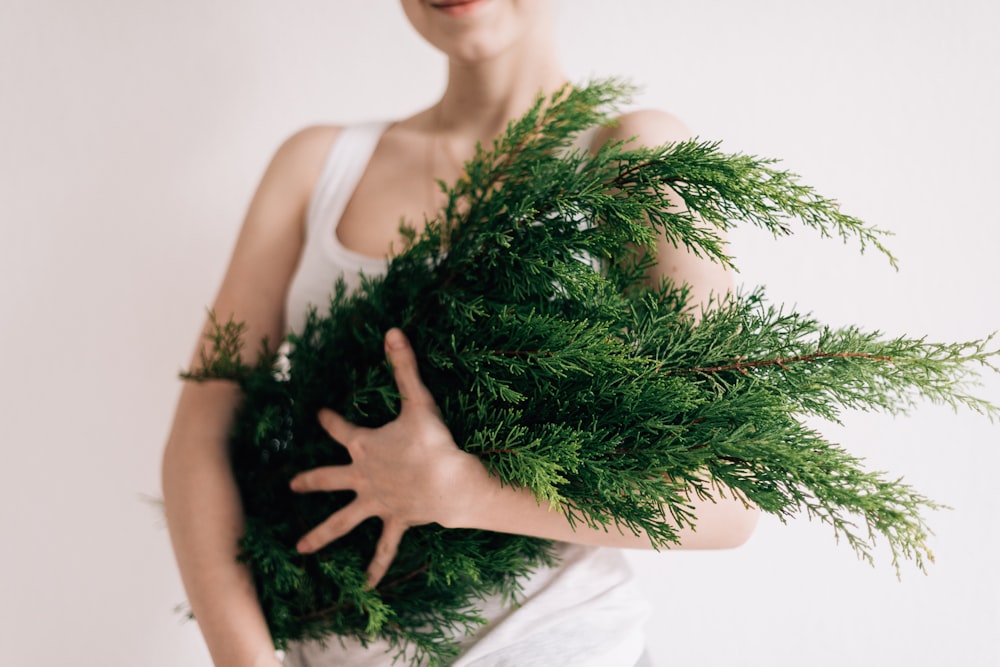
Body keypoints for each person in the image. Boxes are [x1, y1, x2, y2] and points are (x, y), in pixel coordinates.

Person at [162, 2, 760, 665]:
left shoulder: (629, 160)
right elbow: (202, 429)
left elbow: (727, 496)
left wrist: (464, 490)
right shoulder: (318, 166)